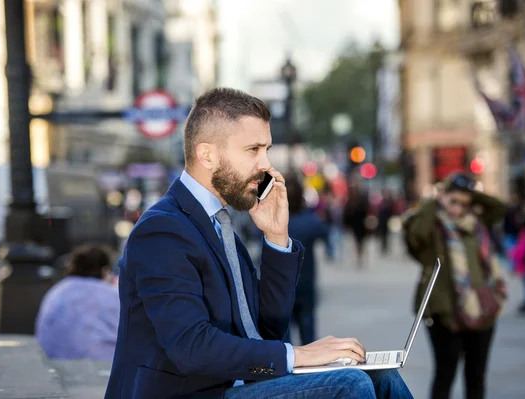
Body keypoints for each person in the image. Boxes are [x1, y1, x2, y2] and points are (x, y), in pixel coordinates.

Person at [105, 88, 413, 399]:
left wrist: (276, 237)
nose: (265, 164)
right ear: (207, 155)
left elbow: (266, 331)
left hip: (237, 386)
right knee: (351, 384)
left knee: (380, 376)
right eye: (253, 150)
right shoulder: (162, 230)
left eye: (266, 149)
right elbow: (190, 347)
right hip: (192, 393)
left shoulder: (220, 225)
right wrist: (299, 355)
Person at [403, 173, 507, 399]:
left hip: (480, 308)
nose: (458, 207)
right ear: (443, 197)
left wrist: (469, 192)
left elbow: (500, 208)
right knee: (445, 374)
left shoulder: (476, 222)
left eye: (464, 202)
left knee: (476, 377)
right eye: (454, 201)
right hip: (444, 312)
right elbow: (415, 236)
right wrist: (437, 201)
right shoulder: (432, 224)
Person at [35, 244, 119, 361]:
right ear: (104, 271)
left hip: (54, 360)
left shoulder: (58, 290)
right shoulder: (110, 294)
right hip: (101, 364)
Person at [283, 173, 330, 345]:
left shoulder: (275, 221)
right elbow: (325, 230)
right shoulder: (310, 221)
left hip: (281, 287)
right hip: (305, 282)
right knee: (308, 336)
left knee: (283, 337)